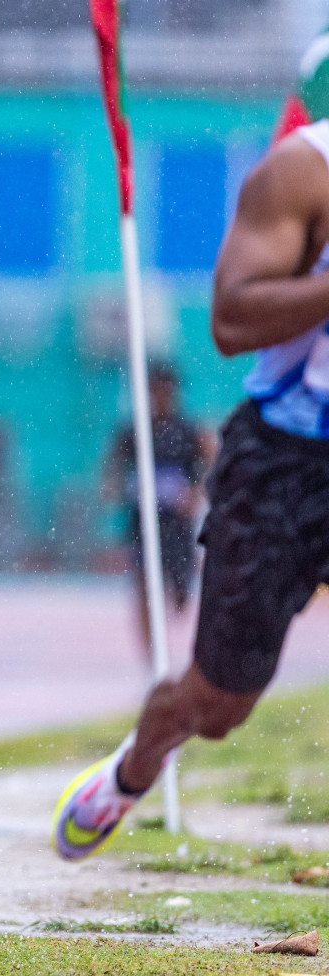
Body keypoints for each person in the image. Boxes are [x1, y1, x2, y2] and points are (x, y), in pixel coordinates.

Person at [52, 69, 329, 860]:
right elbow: (233, 316)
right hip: (289, 461)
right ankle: (133, 770)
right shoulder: (303, 172)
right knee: (219, 704)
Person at [101, 362, 214, 651]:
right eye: (154, 390)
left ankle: (179, 622)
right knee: (145, 586)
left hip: (177, 523)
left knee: (180, 590)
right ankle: (151, 656)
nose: (160, 396)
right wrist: (115, 489)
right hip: (143, 521)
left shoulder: (189, 431)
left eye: (165, 390)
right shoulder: (134, 432)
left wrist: (195, 494)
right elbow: (111, 470)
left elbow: (211, 467)